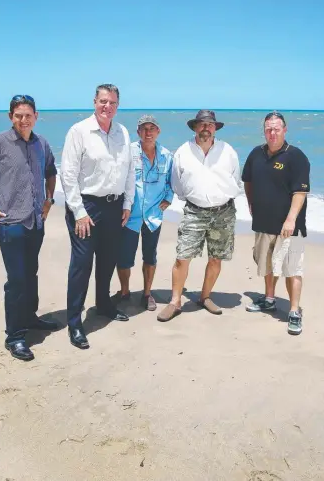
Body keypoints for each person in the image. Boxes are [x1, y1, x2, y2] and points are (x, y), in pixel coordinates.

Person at [0, 95, 58, 361]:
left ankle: (30, 318)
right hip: (10, 223)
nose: (23, 119)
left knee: (31, 273)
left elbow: (51, 171)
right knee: (17, 280)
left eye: (28, 115)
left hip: (35, 221)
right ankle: (15, 336)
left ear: (36, 116)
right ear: (11, 117)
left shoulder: (42, 143)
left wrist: (49, 199)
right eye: (18, 115)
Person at [60, 84, 135, 350]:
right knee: (81, 265)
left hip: (114, 208)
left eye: (113, 102)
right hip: (87, 207)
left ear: (117, 105)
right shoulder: (79, 131)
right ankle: (74, 322)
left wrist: (127, 202)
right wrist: (78, 212)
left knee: (107, 261)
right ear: (95, 102)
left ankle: (103, 303)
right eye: (103, 101)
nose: (108, 107)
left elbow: (129, 171)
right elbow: (68, 175)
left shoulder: (122, 132)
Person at [157, 110, 241, 322]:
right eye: (202, 124)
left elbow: (236, 179)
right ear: (195, 127)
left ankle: (205, 297)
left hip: (224, 212)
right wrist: (196, 198)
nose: (206, 128)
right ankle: (175, 302)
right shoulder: (183, 152)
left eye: (210, 124)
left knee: (216, 258)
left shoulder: (227, 151)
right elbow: (177, 183)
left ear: (215, 128)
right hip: (194, 211)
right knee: (182, 256)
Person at [242, 111, 310, 335]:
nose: (272, 133)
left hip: (290, 227)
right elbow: (248, 181)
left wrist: (290, 220)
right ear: (264, 130)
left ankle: (293, 311)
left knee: (292, 269)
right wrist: (251, 204)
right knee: (267, 265)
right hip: (263, 222)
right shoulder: (255, 154)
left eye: (276, 129)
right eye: (268, 129)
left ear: (285, 130)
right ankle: (269, 299)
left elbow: (300, 192)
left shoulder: (296, 156)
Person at [116, 115, 173, 311]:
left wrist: (169, 198)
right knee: (124, 257)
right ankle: (124, 292)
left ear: (158, 131)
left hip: (153, 216)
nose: (148, 132)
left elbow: (171, 182)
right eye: (144, 129)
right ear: (138, 132)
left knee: (150, 256)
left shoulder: (167, 155)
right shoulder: (128, 151)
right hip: (130, 215)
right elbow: (118, 177)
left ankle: (147, 293)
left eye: (152, 128)